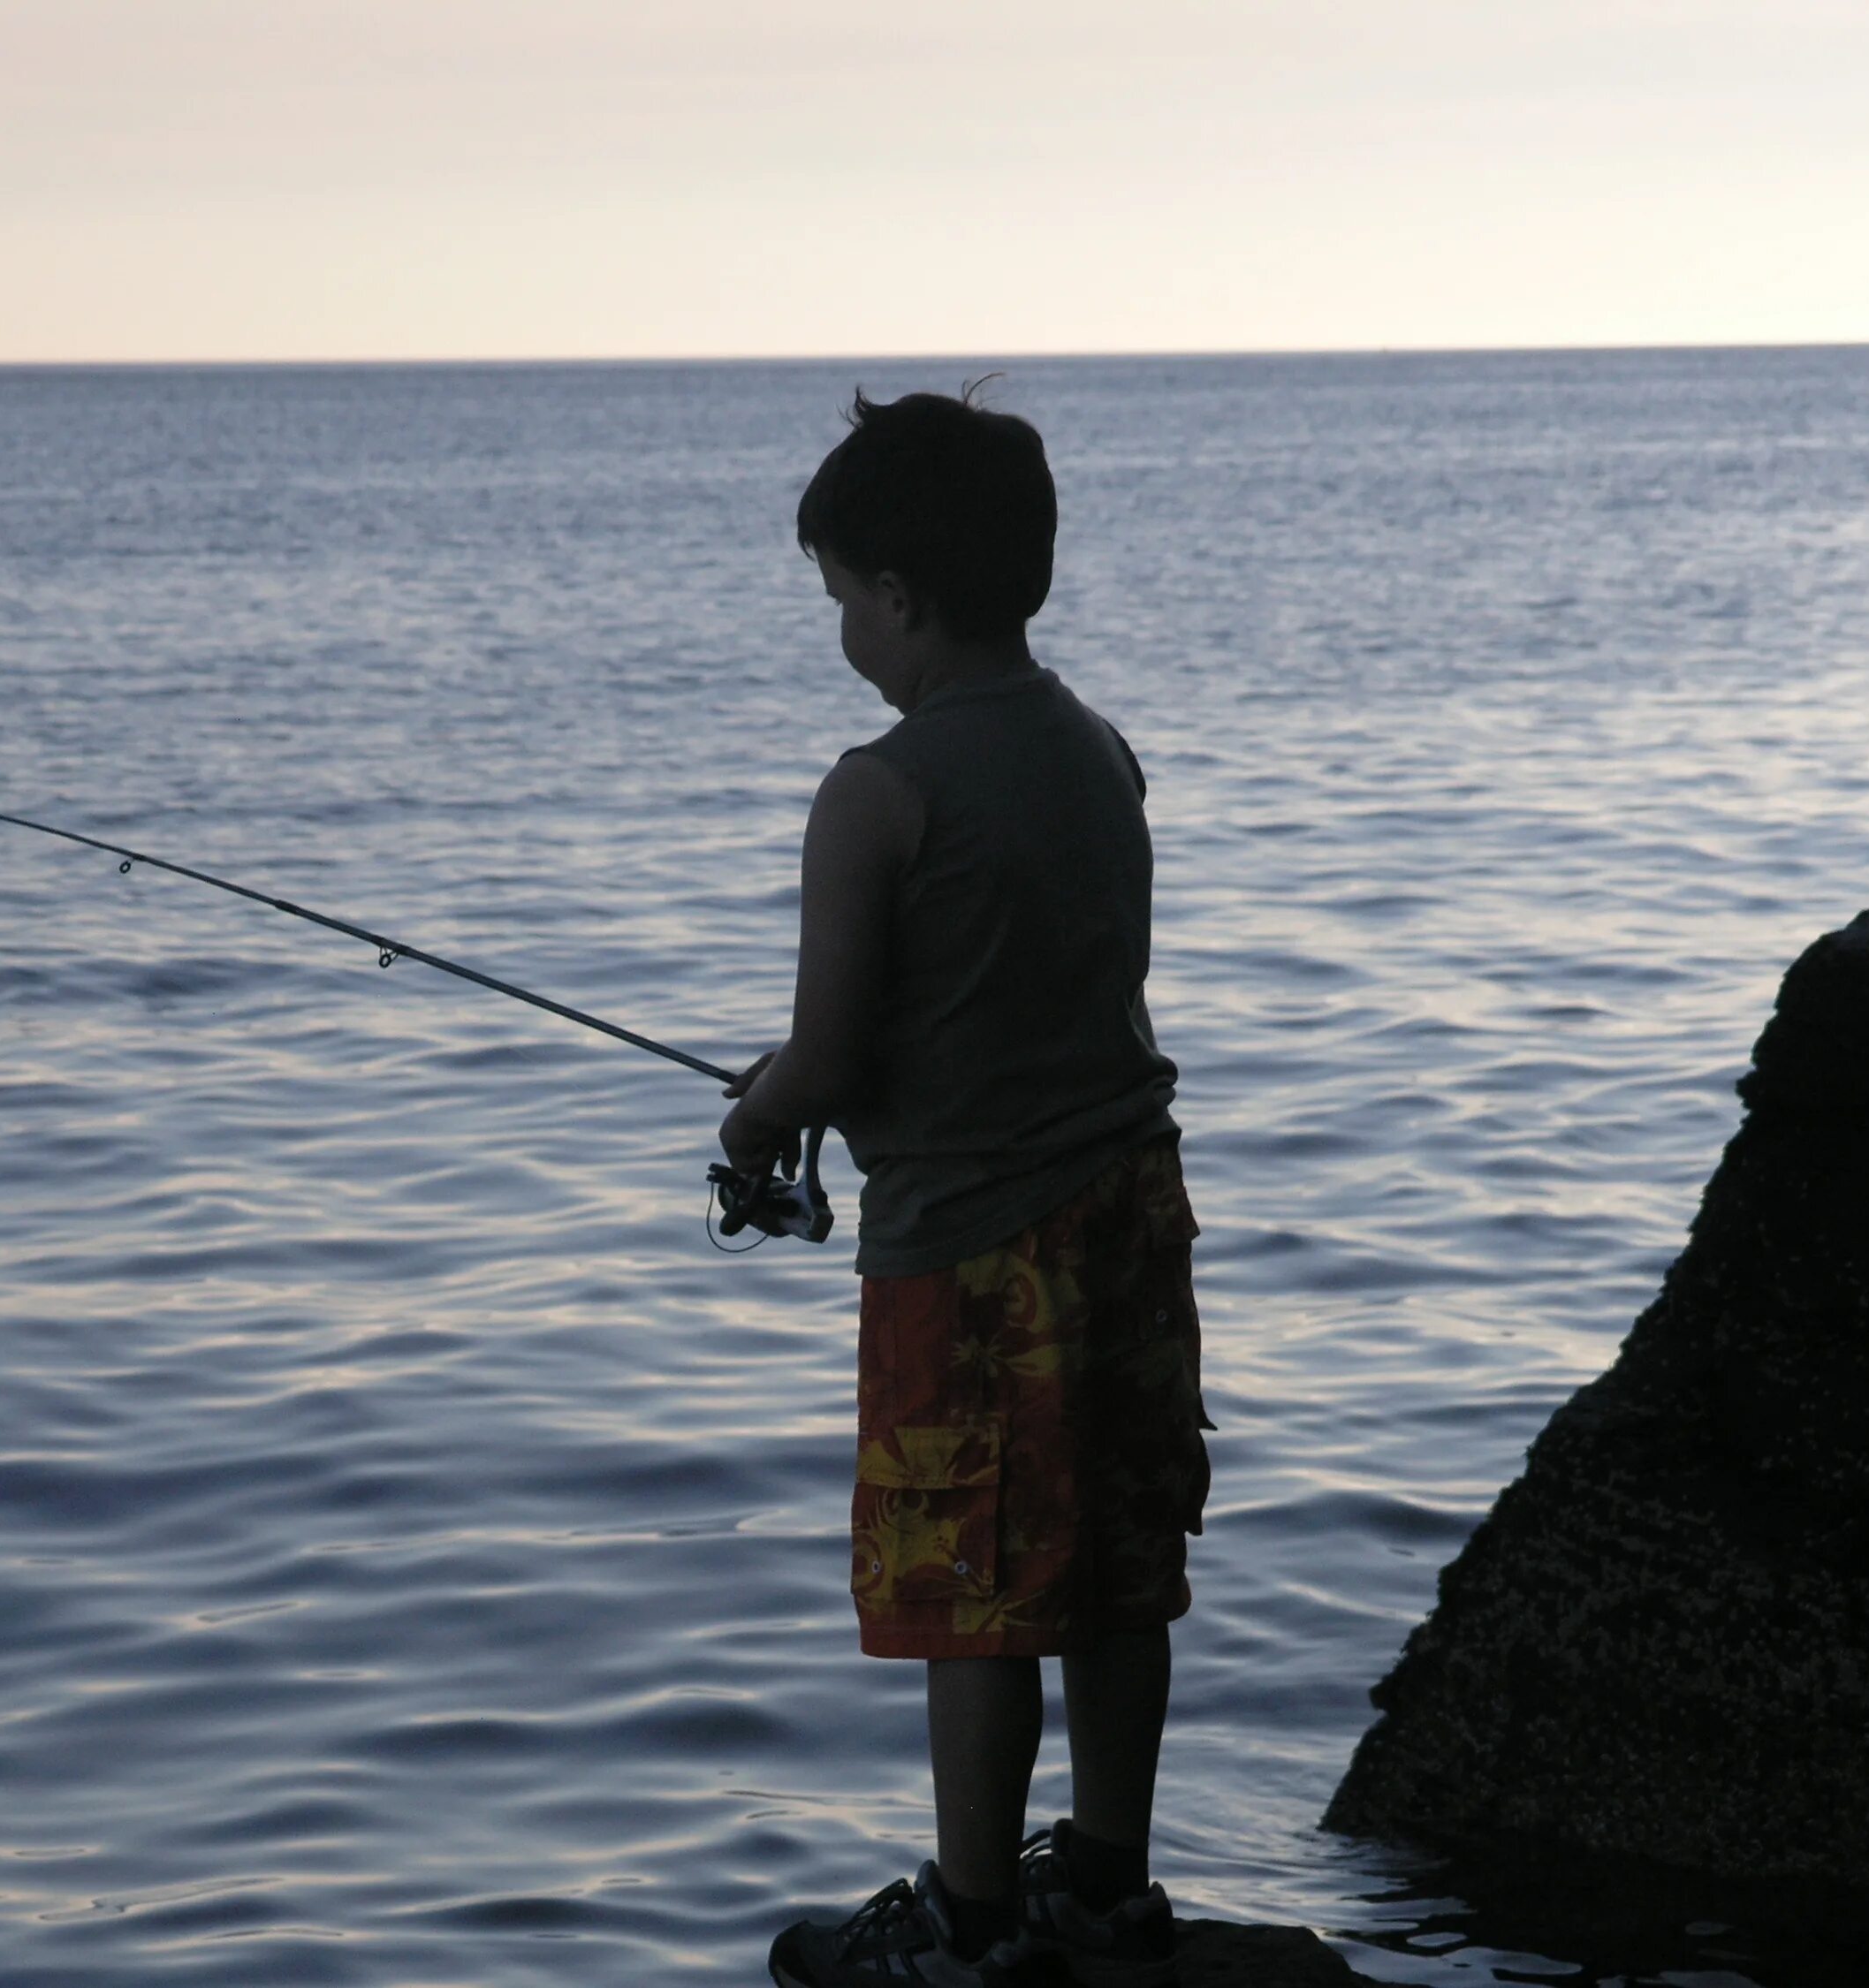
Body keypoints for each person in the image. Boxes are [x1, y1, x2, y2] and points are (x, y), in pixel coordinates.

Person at [720, 387, 1210, 1988]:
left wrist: (753, 1125)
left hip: (967, 1256)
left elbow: (828, 1058)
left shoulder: (877, 792)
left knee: (974, 1594)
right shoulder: (1100, 753)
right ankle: (1116, 1882)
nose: (843, 633)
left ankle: (977, 1921)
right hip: (1132, 1218)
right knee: (1120, 1568)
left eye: (842, 603)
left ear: (899, 599)